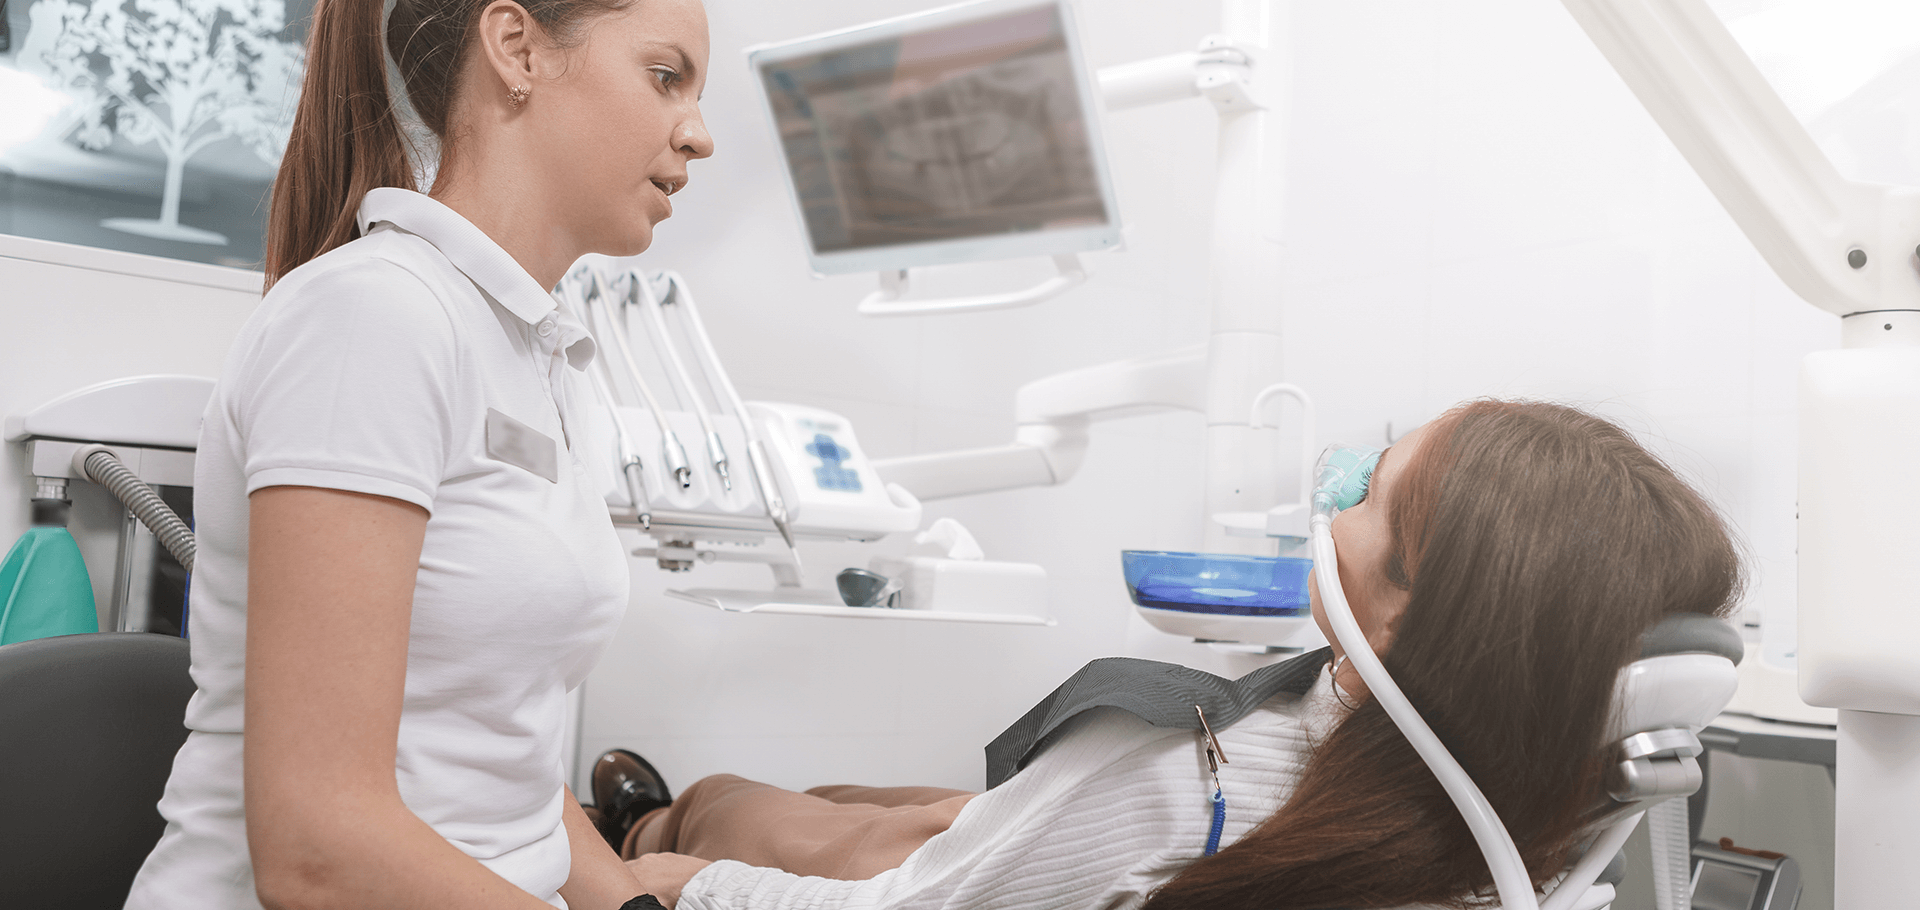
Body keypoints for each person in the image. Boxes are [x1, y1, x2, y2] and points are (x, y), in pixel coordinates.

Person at [602, 399, 1744, 910]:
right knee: (894, 803)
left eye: (1371, 491)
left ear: (1409, 627)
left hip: (1109, 843)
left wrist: (666, 890)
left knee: (803, 822)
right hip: (1183, 834)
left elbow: (912, 907)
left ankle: (646, 824)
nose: (1339, 487)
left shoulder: (1173, 770)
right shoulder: (1534, 796)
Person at [123, 0, 713, 906]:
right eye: (666, 77)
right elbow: (320, 849)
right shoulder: (374, 317)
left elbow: (498, 759)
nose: (699, 134)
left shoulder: (536, 352)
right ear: (517, 49)